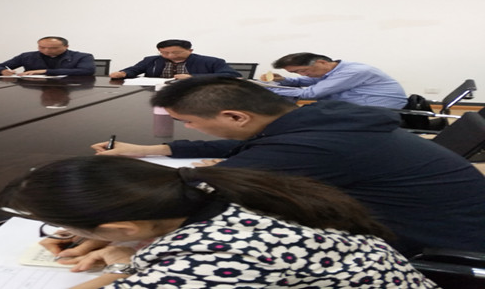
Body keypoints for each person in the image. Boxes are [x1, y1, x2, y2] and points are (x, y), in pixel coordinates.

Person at [92, 77, 485, 257]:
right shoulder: (318, 119)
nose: (190, 129)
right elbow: (243, 145)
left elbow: (199, 197)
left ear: (236, 116)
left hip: (437, 242)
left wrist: (113, 228)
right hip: (437, 218)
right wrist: (149, 148)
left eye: (189, 122)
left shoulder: (307, 147)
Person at [0, 156, 438, 289]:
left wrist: (124, 262)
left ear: (124, 227)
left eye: (72, 228)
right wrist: (128, 253)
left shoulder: (212, 259)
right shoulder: (223, 191)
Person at [260, 52, 407, 108]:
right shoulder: (334, 71)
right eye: (295, 72)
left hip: (376, 110)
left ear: (322, 62)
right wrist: (283, 80)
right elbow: (305, 82)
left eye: (302, 70)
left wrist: (264, 89)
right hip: (356, 107)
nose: (303, 74)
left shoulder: (353, 71)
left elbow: (310, 93)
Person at [109, 39, 240, 79]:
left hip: (194, 93)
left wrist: (192, 77)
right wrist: (123, 73)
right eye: (165, 53)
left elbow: (232, 75)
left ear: (190, 51)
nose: (170, 56)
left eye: (176, 52)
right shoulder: (151, 60)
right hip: (158, 93)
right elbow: (135, 69)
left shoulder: (211, 61)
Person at [0, 36, 95, 76]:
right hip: (36, 87)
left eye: (53, 48)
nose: (46, 50)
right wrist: (3, 71)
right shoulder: (27, 56)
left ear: (66, 46)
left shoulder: (83, 56)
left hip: (69, 87)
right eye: (42, 47)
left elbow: (87, 71)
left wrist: (45, 71)